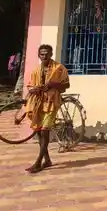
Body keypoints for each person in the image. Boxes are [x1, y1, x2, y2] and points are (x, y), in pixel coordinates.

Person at [24, 44, 70, 173]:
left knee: (45, 131)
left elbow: (66, 84)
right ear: (39, 55)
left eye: (46, 54)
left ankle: (38, 162)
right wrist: (33, 89)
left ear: (51, 54)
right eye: (42, 54)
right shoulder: (36, 71)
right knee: (39, 132)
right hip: (38, 103)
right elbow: (30, 86)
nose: (44, 56)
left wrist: (53, 84)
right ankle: (47, 160)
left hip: (52, 103)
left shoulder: (59, 68)